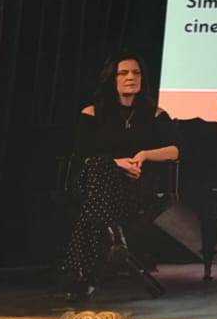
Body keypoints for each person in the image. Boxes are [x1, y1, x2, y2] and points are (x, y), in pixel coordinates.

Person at [55, 53, 180, 303]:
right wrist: (115, 163)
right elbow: (81, 155)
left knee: (94, 202)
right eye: (123, 73)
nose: (131, 77)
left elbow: (175, 150)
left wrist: (144, 155)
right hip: (92, 184)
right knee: (100, 166)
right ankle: (112, 238)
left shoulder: (156, 114)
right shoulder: (92, 113)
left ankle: (80, 273)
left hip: (134, 186)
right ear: (112, 79)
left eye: (136, 73)